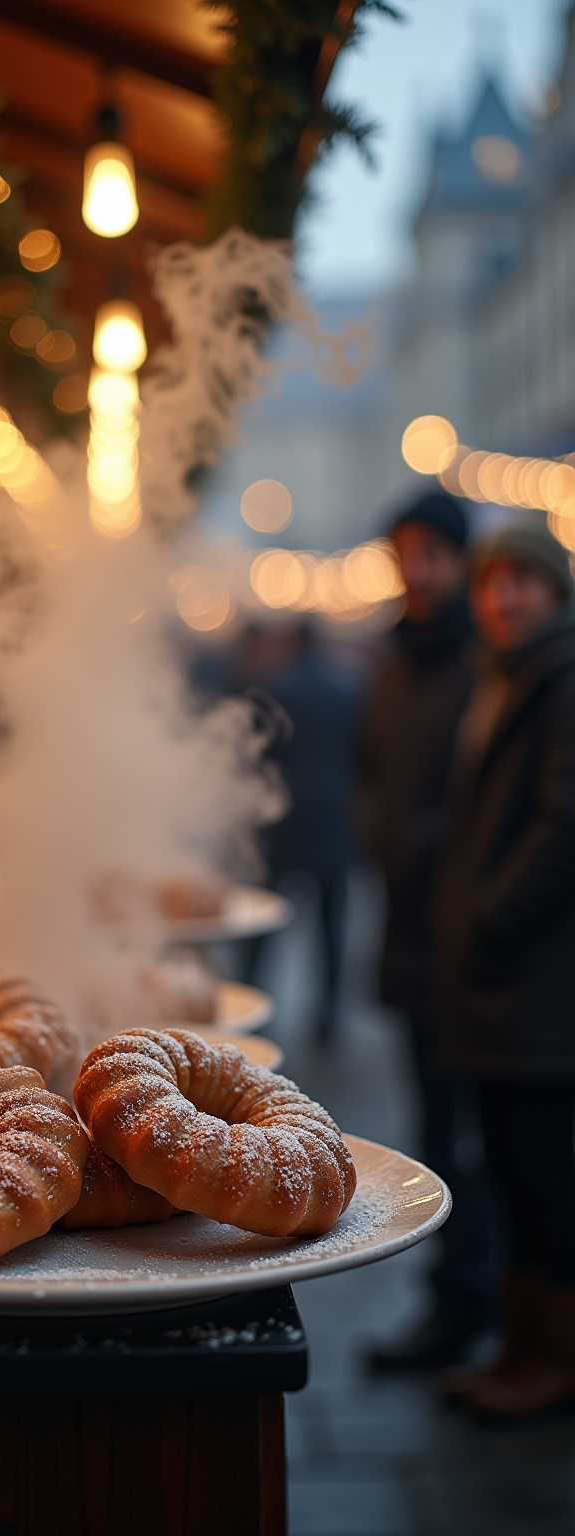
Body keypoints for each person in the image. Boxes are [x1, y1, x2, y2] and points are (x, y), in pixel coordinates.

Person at [434, 520, 575, 1418]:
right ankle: (519, 1347)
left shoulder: (562, 681)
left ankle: (556, 1362)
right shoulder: (506, 677)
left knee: (547, 1175)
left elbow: (565, 825)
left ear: (555, 592)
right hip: (497, 989)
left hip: (539, 986)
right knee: (510, 1172)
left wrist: (490, 917)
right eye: (492, 582)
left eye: (522, 581)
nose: (503, 596)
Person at [358, 491, 499, 1369]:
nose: (416, 571)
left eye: (432, 555)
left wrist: (423, 846)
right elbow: (370, 775)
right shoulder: (390, 663)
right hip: (413, 935)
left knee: (481, 1137)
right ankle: (458, 1301)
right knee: (435, 1126)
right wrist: (378, 836)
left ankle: (478, 1304)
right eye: (404, 553)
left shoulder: (486, 666)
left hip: (475, 943)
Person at [254, 622, 358, 1041]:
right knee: (330, 931)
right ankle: (328, 1016)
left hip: (285, 825)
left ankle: (258, 1006)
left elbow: (260, 761)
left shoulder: (277, 689)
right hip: (334, 824)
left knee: (265, 930)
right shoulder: (346, 691)